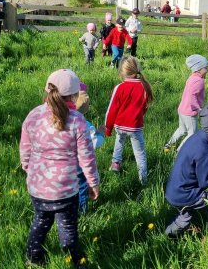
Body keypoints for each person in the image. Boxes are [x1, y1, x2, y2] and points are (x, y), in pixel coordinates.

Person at [20, 69, 99, 267]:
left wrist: (28, 167)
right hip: (66, 189)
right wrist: (93, 182)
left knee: (40, 222)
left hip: (38, 186)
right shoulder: (78, 121)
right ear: (74, 95)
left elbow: (25, 147)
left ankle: (33, 258)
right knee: (68, 227)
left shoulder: (34, 115)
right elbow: (86, 158)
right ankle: (75, 261)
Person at [165, 102, 208, 238]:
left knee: (185, 217)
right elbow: (206, 181)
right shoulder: (204, 151)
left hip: (175, 191)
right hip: (186, 195)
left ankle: (168, 235)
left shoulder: (198, 138)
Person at [105, 57, 153, 185]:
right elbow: (144, 108)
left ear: (122, 71)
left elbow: (111, 110)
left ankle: (115, 163)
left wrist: (108, 128)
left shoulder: (119, 87)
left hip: (120, 125)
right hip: (135, 126)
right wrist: (138, 116)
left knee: (119, 140)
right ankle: (143, 180)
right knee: (140, 153)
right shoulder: (144, 87)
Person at [69, 82, 105, 214]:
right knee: (82, 187)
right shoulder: (85, 124)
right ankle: (81, 212)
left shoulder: (62, 120)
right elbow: (94, 144)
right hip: (80, 164)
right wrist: (100, 134)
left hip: (64, 164)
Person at [164, 54, 208, 152]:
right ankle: (180, 151)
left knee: (181, 129)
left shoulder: (191, 78)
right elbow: (192, 97)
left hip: (182, 109)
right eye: (206, 68)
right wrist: (198, 109)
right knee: (192, 133)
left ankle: (168, 145)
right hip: (190, 112)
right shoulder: (199, 81)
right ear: (198, 69)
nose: (207, 70)